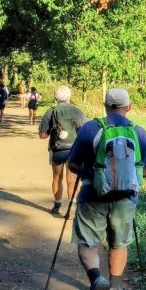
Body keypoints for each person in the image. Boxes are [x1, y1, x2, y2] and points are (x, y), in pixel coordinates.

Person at [67, 88, 146, 290]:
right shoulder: (138, 131)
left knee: (87, 242)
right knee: (119, 242)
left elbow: (72, 164)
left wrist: (92, 171)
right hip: (126, 198)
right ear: (129, 106)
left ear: (105, 105)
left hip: (92, 196)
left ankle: (97, 280)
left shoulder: (91, 128)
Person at [38, 86, 87, 215]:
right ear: (69, 98)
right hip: (74, 151)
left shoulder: (51, 112)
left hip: (58, 150)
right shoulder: (77, 112)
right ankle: (72, 204)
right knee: (71, 179)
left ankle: (57, 206)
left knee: (57, 177)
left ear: (55, 98)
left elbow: (42, 135)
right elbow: (85, 131)